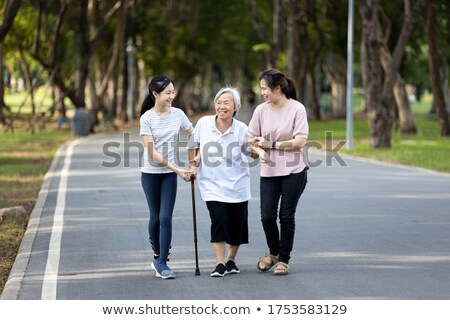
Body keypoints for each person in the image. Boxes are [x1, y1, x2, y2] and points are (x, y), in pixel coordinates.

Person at [247, 69, 308, 276]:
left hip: (294, 171)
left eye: (264, 88)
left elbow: (300, 141)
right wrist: (258, 151)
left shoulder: (297, 109)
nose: (262, 92)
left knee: (286, 216)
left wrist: (270, 144)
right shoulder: (260, 111)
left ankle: (283, 259)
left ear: (277, 88)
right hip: (269, 172)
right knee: (267, 216)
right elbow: (251, 139)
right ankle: (273, 253)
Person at [187, 87, 251, 277]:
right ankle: (220, 263)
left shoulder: (242, 129)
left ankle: (231, 259)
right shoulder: (204, 123)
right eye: (218, 102)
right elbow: (193, 146)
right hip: (212, 184)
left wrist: (259, 151)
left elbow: (251, 152)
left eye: (226, 103)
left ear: (235, 108)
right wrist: (193, 166)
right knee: (219, 220)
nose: (221, 106)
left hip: (238, 184)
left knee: (237, 225)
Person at [140, 75, 194, 279]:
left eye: (173, 92)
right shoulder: (147, 118)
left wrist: (195, 157)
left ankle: (162, 262)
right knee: (155, 217)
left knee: (165, 217)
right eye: (168, 93)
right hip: (151, 174)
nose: (172, 96)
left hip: (170, 175)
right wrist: (178, 169)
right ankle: (156, 254)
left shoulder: (178, 114)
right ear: (155, 94)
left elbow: (194, 134)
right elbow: (153, 154)